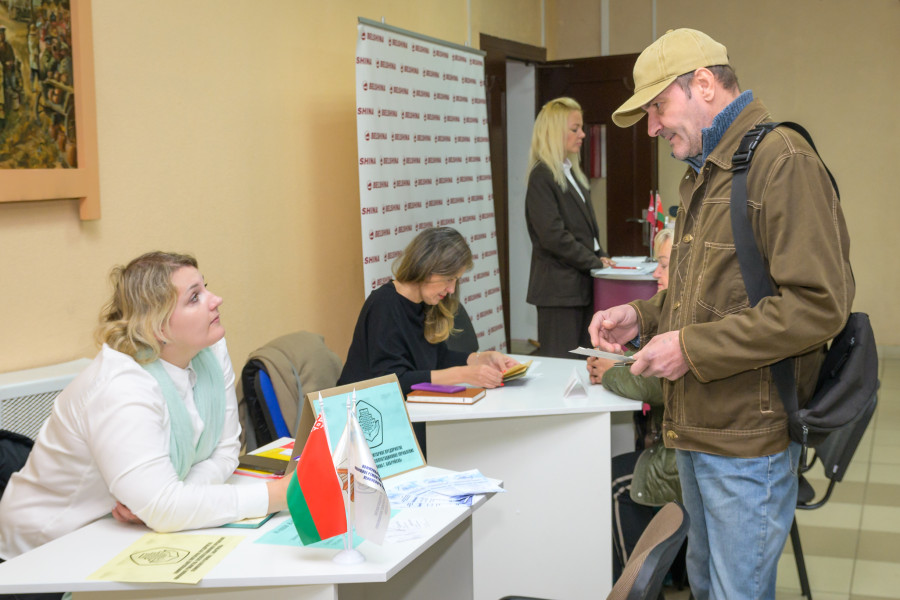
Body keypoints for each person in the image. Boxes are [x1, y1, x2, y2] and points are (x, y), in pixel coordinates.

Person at [589, 28, 854, 600]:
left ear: (704, 84)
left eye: (658, 107)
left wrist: (690, 349)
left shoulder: (780, 163)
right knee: (709, 588)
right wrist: (643, 317)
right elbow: (705, 297)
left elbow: (820, 305)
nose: (654, 127)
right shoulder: (708, 174)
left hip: (746, 444)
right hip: (699, 432)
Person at [0, 252, 291, 563]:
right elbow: (164, 507)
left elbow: (226, 449)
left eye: (204, 287)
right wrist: (279, 495)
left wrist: (167, 506)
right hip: (41, 555)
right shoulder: (120, 385)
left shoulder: (208, 347)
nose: (215, 299)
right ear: (158, 329)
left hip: (118, 536)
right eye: (194, 297)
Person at [587, 228, 679, 582]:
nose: (655, 273)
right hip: (672, 446)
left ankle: (634, 585)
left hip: (678, 456)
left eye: (664, 265)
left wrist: (610, 372)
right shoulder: (669, 311)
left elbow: (656, 386)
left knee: (614, 482)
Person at [339, 227, 518, 395]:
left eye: (456, 280)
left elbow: (437, 359)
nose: (451, 290)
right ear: (426, 268)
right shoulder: (384, 305)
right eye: (448, 279)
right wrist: (463, 374)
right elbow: (392, 382)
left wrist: (481, 359)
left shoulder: (425, 303)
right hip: (360, 416)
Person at [525, 97, 613, 358]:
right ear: (554, 132)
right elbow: (553, 236)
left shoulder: (571, 172)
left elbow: (585, 232)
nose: (583, 135)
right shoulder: (542, 175)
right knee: (562, 367)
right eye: (575, 129)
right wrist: (594, 262)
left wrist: (600, 255)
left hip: (579, 288)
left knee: (581, 363)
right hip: (558, 293)